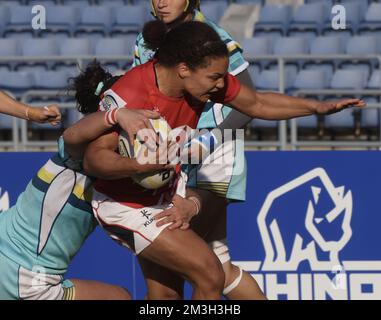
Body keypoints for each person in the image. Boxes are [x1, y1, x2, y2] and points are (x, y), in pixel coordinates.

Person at [83, 21, 364, 300]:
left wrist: (316, 107)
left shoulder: (201, 81)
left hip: (165, 196)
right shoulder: (130, 93)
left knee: (165, 296)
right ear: (183, 69)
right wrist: (139, 167)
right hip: (124, 205)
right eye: (215, 77)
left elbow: (257, 104)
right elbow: (94, 160)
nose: (221, 84)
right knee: (211, 274)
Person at [133, 0, 268, 300]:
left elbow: (248, 105)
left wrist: (210, 141)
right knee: (219, 268)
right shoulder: (147, 39)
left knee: (172, 281)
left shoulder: (212, 38)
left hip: (212, 164)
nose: (162, 1)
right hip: (171, 160)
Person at [0, 67, 167, 300]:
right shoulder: (80, 151)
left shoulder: (117, 164)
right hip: (25, 278)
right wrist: (118, 115)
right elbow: (73, 135)